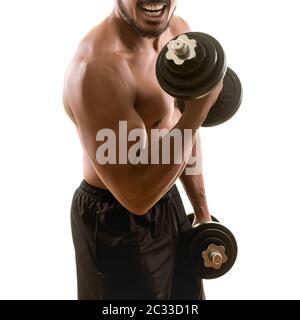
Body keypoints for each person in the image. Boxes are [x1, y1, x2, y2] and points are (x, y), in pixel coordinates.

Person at [63, 0, 223, 300]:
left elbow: (181, 131)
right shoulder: (97, 68)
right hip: (115, 219)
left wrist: (202, 213)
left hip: (168, 200)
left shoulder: (179, 34)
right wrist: (196, 114)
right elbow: (135, 197)